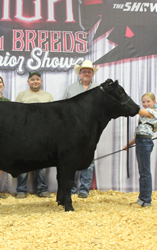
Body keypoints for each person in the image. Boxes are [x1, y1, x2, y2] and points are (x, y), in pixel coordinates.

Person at [62, 60, 99, 198]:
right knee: (72, 158)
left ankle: (84, 189)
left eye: (89, 71)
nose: (87, 73)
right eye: (84, 71)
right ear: (80, 73)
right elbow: (63, 107)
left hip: (91, 129)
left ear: (92, 74)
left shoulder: (98, 89)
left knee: (89, 159)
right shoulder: (71, 88)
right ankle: (71, 188)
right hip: (72, 129)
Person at [15, 71, 54, 199]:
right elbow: (15, 115)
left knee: (42, 163)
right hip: (24, 134)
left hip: (43, 135)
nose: (35, 81)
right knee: (22, 162)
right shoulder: (21, 95)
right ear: (28, 82)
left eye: (37, 79)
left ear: (41, 81)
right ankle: (21, 189)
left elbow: (53, 116)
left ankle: (42, 189)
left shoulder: (48, 96)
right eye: (32, 79)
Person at [123, 92, 157, 207]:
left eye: (148, 101)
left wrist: (127, 104)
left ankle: (146, 200)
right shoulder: (143, 116)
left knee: (145, 172)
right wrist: (129, 144)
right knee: (143, 172)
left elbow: (138, 110)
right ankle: (142, 199)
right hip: (141, 141)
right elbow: (139, 133)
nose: (145, 104)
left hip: (145, 142)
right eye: (143, 102)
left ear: (154, 102)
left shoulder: (151, 113)